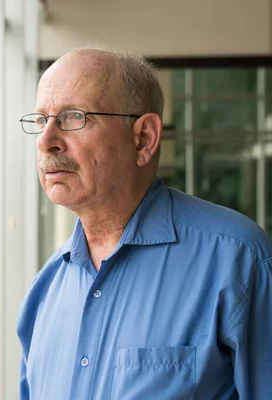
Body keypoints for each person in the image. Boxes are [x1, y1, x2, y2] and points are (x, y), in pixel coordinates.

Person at [16, 47, 272, 399]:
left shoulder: (239, 260)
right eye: (41, 120)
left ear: (144, 138)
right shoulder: (43, 293)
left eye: (74, 117)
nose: (46, 141)